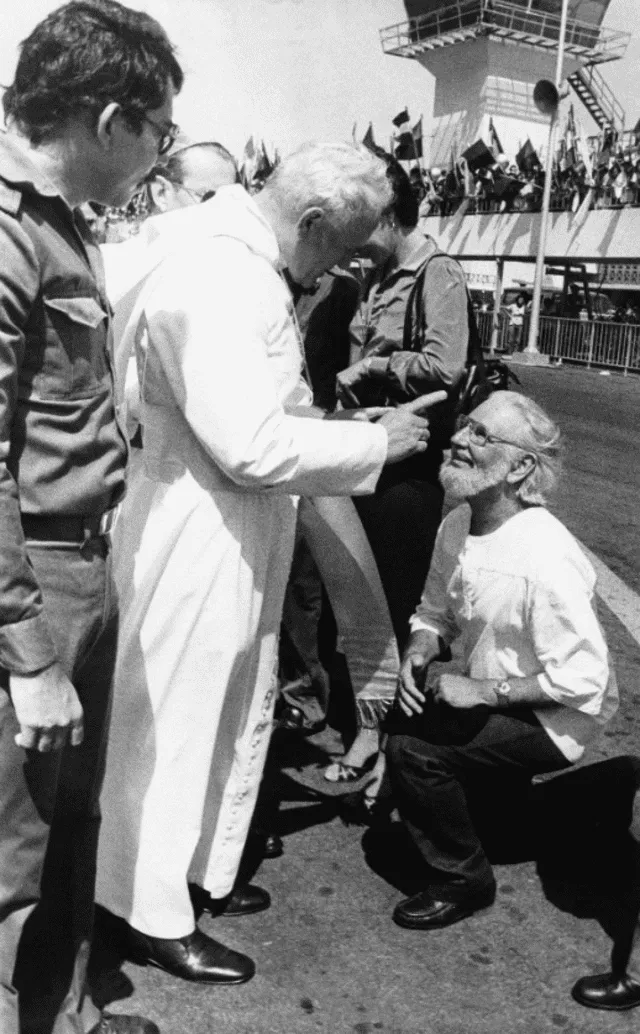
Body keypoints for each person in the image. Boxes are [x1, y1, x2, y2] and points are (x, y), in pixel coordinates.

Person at [95, 142, 443, 986]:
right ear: (313, 222)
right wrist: (376, 441)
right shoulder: (223, 277)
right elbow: (249, 443)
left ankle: (187, 875)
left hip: (226, 516)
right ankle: (147, 911)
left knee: (222, 704)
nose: (340, 268)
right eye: (342, 248)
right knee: (173, 721)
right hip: (200, 522)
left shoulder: (230, 255)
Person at [0, 3, 183, 1033]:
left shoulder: (57, 221)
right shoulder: (9, 229)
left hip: (81, 566)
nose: (158, 157)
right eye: (157, 132)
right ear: (113, 117)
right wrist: (28, 650)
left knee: (68, 825)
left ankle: (58, 1019)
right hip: (34, 581)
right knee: (7, 863)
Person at [387, 392, 618, 931]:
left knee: (414, 751)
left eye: (482, 435)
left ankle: (463, 880)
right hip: (503, 694)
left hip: (558, 717)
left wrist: (484, 692)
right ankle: (553, 805)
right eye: (466, 426)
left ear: (521, 468)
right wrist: (421, 647)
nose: (458, 440)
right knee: (408, 717)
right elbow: (434, 613)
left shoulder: (545, 555)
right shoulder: (458, 524)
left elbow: (584, 680)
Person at [333, 152, 468, 777]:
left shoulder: (435, 273)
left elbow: (447, 366)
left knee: (394, 604)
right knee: (360, 601)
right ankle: (369, 730)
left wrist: (378, 368)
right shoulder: (378, 277)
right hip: (368, 451)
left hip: (409, 464)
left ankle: (389, 744)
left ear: (390, 217)